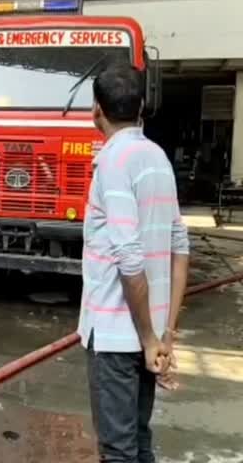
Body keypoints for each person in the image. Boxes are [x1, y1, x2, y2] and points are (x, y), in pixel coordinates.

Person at [78, 63, 190, 462]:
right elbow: (180, 246)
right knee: (139, 440)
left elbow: (128, 259)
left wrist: (147, 339)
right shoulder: (157, 157)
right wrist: (165, 334)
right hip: (150, 334)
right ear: (142, 106)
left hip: (116, 337)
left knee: (118, 450)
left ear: (96, 110)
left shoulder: (113, 161)